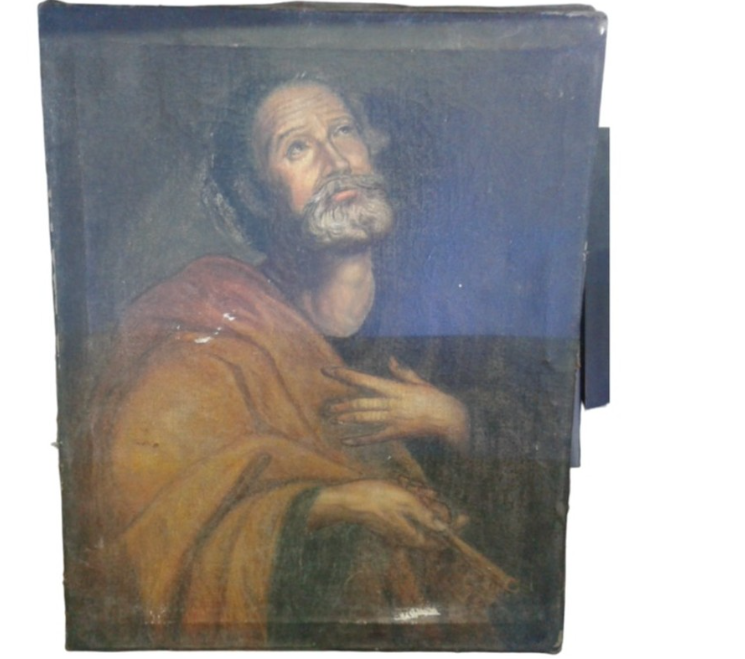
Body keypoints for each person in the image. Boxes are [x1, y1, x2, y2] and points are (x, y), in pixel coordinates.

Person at [70, 78, 511, 650]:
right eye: (297, 147)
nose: (336, 162)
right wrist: (330, 504)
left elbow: (537, 495)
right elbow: (150, 536)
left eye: (343, 132)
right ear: (255, 192)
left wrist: (454, 419)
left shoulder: (456, 319)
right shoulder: (210, 327)